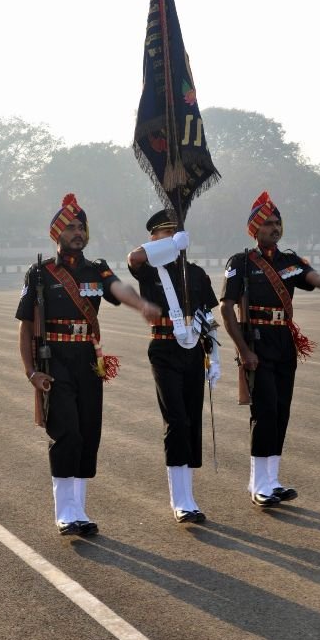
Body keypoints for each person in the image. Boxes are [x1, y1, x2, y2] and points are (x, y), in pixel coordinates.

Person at [16, 193, 160, 536]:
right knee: (65, 431)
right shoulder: (41, 272)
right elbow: (25, 325)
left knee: (87, 432)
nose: (78, 232)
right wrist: (30, 371)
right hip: (54, 361)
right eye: (71, 227)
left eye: (81, 226)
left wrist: (140, 305)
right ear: (58, 234)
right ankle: (65, 512)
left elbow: (117, 287)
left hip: (88, 360)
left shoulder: (97, 268)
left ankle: (79, 510)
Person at [220, 191, 320, 508]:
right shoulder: (240, 263)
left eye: (278, 222)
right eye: (267, 223)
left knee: (281, 411)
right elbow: (227, 309)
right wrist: (243, 351)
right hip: (255, 341)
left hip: (283, 341)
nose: (274, 228)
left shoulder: (290, 262)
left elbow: (315, 278)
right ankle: (258, 484)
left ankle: (273, 481)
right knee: (264, 412)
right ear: (254, 228)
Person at [127, 209, 221, 524]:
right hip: (164, 349)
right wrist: (165, 248)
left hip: (193, 350)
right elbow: (135, 258)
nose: (172, 240)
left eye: (176, 235)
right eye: (165, 235)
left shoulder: (195, 273)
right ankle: (180, 501)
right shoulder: (150, 271)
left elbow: (208, 317)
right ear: (154, 238)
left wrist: (214, 358)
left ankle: (189, 497)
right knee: (176, 421)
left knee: (191, 421)